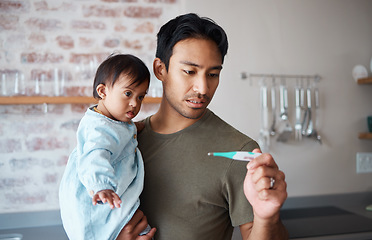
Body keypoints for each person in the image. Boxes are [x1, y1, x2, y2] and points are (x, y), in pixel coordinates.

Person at [118, 13, 288, 240]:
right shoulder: (123, 141)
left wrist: (268, 218)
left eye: (213, 74)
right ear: (160, 69)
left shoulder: (239, 152)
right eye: (189, 71)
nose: (203, 88)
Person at [59, 54, 154, 240]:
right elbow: (95, 156)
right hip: (99, 194)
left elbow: (120, 134)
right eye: (128, 93)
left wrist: (137, 127)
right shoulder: (98, 128)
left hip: (108, 195)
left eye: (141, 96)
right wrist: (102, 185)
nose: (135, 103)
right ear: (102, 91)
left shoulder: (113, 121)